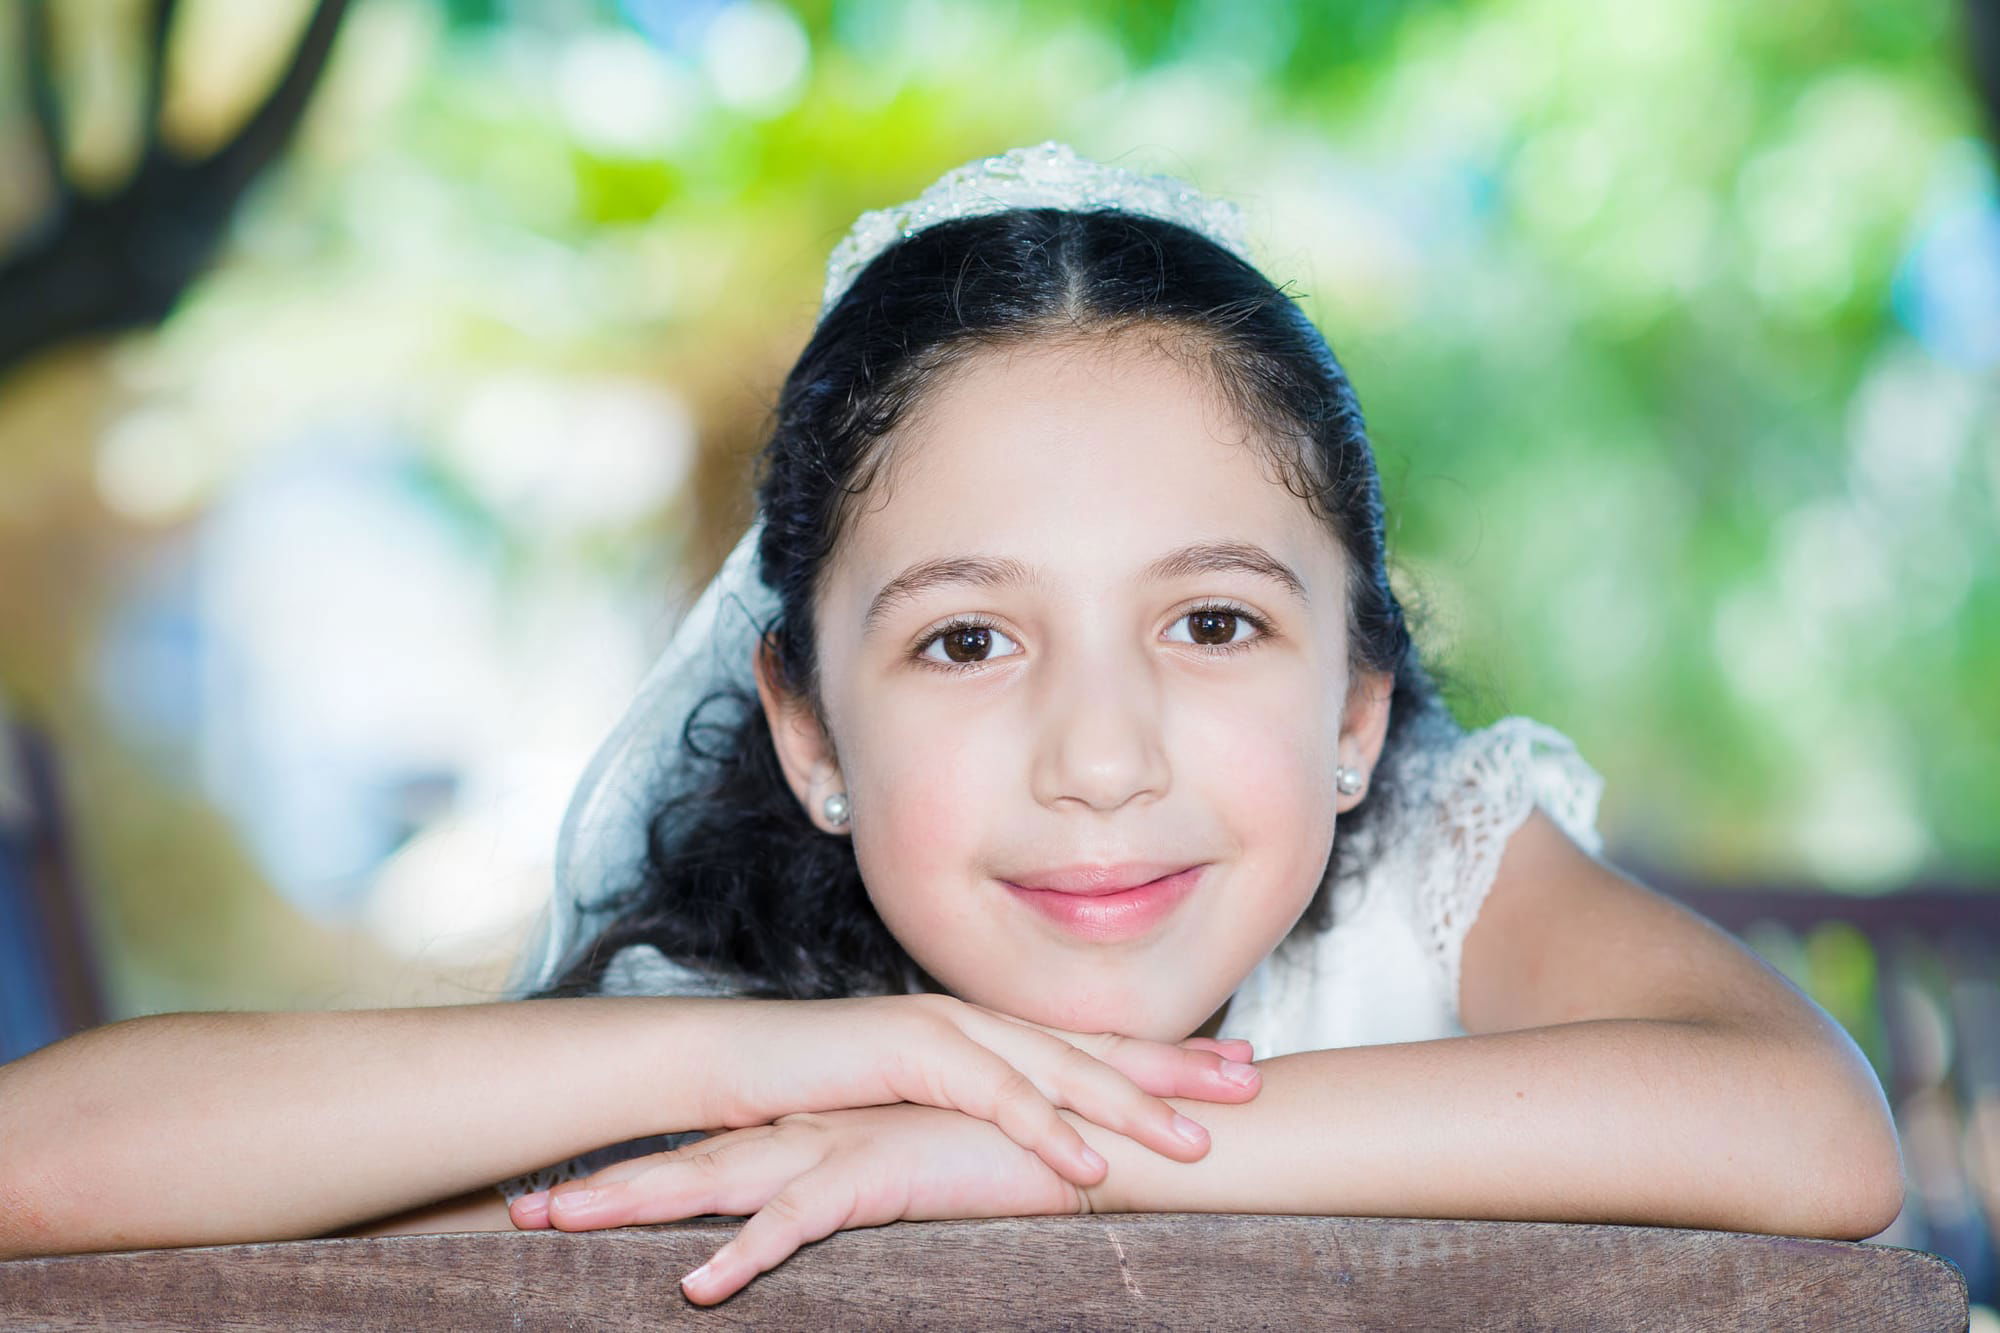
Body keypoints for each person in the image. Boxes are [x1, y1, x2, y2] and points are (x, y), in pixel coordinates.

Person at [0, 143, 1903, 1307]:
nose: (1100, 755)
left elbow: (1817, 1131)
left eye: (1216, 619)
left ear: (1356, 709)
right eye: (971, 640)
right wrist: (832, 1062)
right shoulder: (750, 1076)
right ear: (809, 735)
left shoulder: (1432, 873)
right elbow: (41, 1165)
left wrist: (1047, 1143)